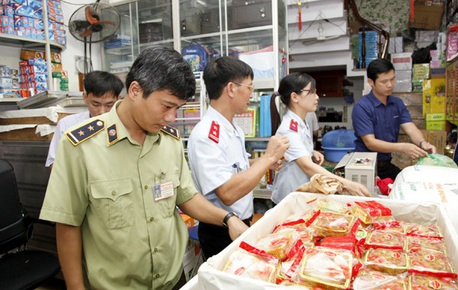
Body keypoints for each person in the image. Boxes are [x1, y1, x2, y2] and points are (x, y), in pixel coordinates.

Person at [39, 47, 249, 290]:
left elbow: (186, 196)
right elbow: (68, 224)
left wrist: (227, 218)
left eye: (177, 108)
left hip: (172, 279)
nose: (171, 117)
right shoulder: (81, 146)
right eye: (166, 106)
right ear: (135, 90)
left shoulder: (169, 141)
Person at [187, 56, 290, 259]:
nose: (251, 94)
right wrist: (267, 158)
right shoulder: (207, 135)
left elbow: (236, 167)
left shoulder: (232, 128)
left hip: (242, 220)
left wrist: (263, 163)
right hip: (221, 229)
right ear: (231, 88)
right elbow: (227, 192)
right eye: (249, 87)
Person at [270, 72, 370, 204]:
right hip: (289, 196)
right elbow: (307, 166)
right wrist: (348, 184)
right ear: (294, 97)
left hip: (299, 192)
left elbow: (297, 148)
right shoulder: (289, 128)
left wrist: (310, 152)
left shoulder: (301, 121)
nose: (317, 97)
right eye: (311, 92)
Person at [351, 58, 436, 180]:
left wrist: (423, 143)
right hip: (364, 166)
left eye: (392, 79)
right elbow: (370, 142)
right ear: (371, 82)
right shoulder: (362, 107)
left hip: (385, 165)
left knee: (406, 182)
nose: (390, 85)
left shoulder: (397, 103)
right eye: (384, 81)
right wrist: (402, 147)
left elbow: (410, 128)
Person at [45, 70, 124, 168]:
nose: (102, 111)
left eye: (109, 105)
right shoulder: (68, 125)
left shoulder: (124, 125)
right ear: (85, 97)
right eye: (95, 104)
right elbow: (55, 164)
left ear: (119, 99)